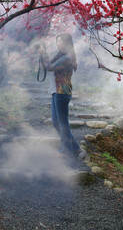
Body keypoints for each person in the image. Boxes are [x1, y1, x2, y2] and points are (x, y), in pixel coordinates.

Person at [39, 33, 86, 161]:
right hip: (56, 92)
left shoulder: (67, 58)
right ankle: (75, 148)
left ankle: (64, 151)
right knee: (56, 122)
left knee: (63, 123)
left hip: (62, 93)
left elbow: (50, 67)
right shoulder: (60, 56)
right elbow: (47, 66)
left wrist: (44, 54)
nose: (57, 44)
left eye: (59, 41)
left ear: (65, 43)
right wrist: (42, 55)